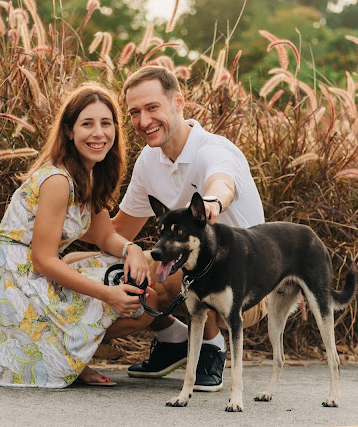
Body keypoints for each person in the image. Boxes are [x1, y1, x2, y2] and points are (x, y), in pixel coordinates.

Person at [0, 81, 157, 388]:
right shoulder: (57, 180)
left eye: (106, 123)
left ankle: (73, 353)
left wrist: (131, 249)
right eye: (87, 124)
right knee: (129, 297)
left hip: (39, 274)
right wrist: (108, 295)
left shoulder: (88, 175)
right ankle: (71, 358)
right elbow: (42, 260)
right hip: (19, 281)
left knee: (143, 299)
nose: (98, 133)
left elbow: (106, 237)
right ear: (68, 131)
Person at [112, 65, 267, 392]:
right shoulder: (149, 160)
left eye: (153, 108)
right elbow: (118, 232)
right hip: (191, 270)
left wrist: (212, 203)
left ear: (178, 103)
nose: (143, 121)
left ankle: (212, 348)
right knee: (123, 269)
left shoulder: (213, 149)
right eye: (135, 112)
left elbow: (222, 181)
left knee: (188, 259)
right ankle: (173, 341)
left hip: (246, 283)